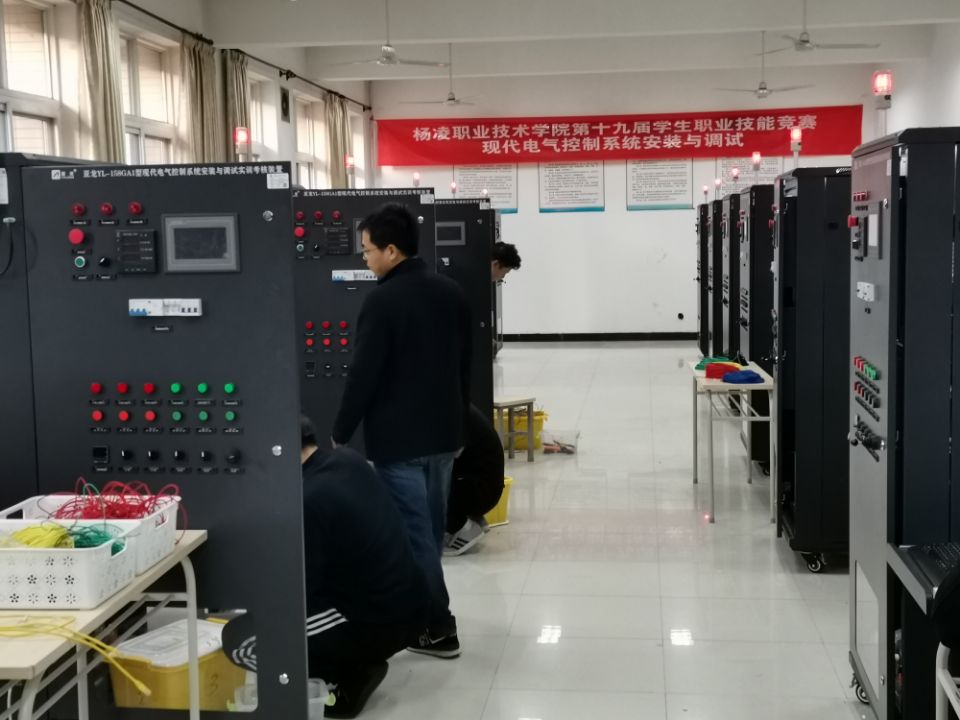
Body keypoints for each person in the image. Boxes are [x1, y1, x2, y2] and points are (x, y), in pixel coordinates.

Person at [331, 203, 471, 659]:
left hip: (399, 442)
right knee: (430, 533)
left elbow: (363, 374)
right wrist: (461, 428)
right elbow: (465, 366)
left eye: (367, 250)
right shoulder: (451, 292)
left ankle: (438, 627)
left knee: (415, 536)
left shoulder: (382, 300)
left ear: (391, 250)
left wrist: (340, 431)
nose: (365, 258)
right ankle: (425, 614)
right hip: (444, 436)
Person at [222, 416, 429, 719]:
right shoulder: (348, 460)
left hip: (376, 621)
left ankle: (349, 674)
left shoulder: (309, 498)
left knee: (239, 641)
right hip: (407, 605)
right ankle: (352, 661)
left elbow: (296, 594)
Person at [444, 404, 505, 556]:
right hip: (485, 486)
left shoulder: (449, 413)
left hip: (480, 490)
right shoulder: (456, 404)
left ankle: (461, 527)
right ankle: (472, 519)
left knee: (422, 481)